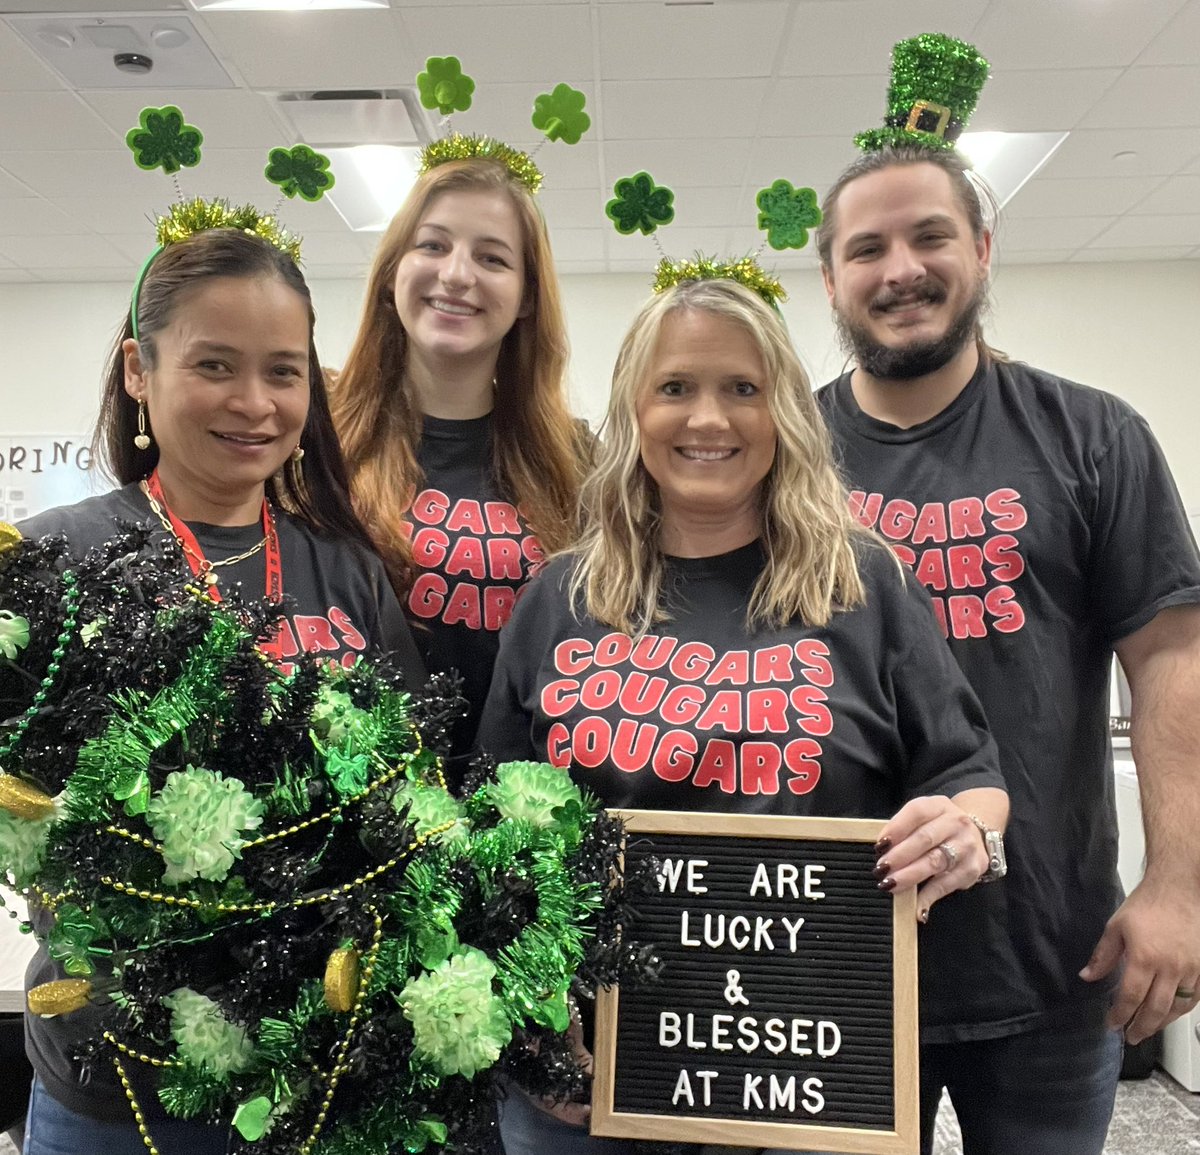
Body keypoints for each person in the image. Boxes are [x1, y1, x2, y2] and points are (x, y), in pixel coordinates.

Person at [477, 277, 1008, 1155]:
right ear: (634, 411)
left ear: (785, 413)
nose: (709, 419)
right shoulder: (556, 598)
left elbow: (968, 776)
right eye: (675, 387)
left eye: (743, 389)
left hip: (811, 1075)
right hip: (586, 1071)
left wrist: (963, 835)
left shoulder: (863, 584)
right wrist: (525, 1013)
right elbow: (486, 823)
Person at [815, 141, 1200, 1155]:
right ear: (830, 280)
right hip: (834, 960)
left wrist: (1177, 886)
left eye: (930, 235)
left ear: (982, 251)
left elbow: (1171, 661)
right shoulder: (786, 460)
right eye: (867, 249)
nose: (901, 268)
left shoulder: (1093, 437)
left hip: (1048, 959)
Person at [18, 225, 425, 1155]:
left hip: (316, 1075)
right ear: (138, 370)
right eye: (215, 365)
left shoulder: (347, 573)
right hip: (116, 1076)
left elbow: (415, 793)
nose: (255, 403)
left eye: (284, 371)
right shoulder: (53, 560)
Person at [331, 158, 588, 765]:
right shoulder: (320, 444)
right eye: (433, 246)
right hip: (351, 815)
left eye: (492, 258)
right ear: (394, 271)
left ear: (527, 298)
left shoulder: (576, 460)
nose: (456, 274)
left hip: (522, 817)